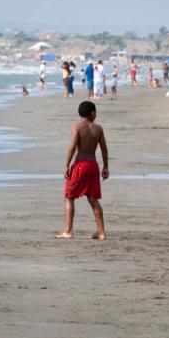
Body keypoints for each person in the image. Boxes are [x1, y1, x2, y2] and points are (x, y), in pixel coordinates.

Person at [58, 101, 109, 240]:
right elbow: (104, 149)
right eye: (95, 112)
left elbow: (72, 146)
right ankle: (101, 232)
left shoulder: (77, 127)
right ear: (91, 113)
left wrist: (66, 166)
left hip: (81, 165)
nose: (96, 114)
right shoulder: (98, 129)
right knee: (93, 199)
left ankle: (68, 231)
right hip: (93, 165)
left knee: (69, 196)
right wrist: (105, 167)